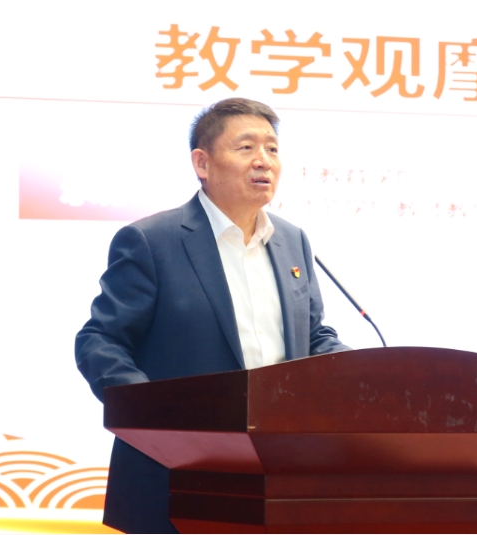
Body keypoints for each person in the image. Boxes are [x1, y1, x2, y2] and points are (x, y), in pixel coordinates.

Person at [75, 98, 350, 533]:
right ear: (202, 163)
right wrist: (154, 418)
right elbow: (100, 341)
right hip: (176, 477)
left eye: (272, 149)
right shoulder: (152, 240)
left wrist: (362, 373)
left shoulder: (292, 241)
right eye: (246, 147)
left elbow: (313, 335)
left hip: (276, 478)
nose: (263, 160)